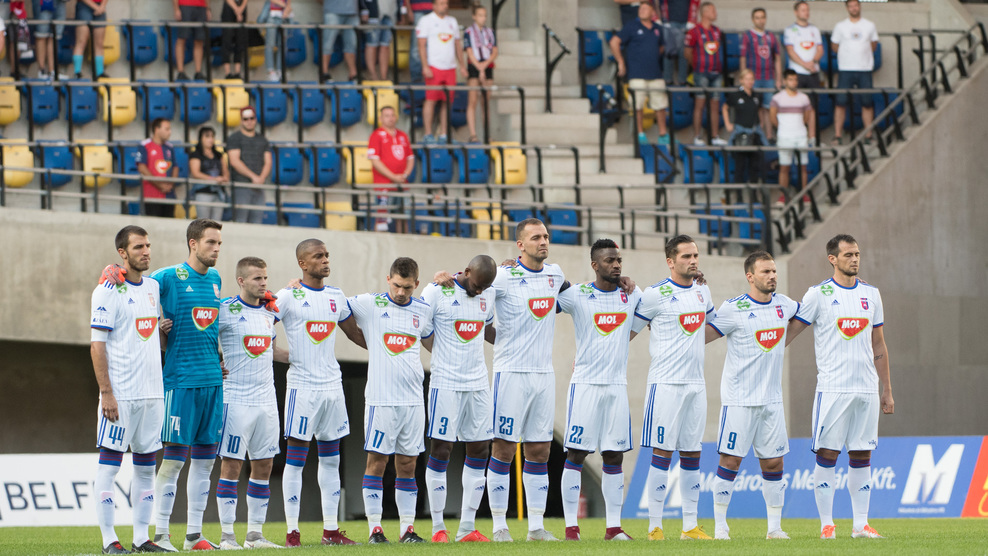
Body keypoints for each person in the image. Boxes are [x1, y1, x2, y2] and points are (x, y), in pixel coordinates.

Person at [786, 234, 894, 540]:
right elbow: (791, 331)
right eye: (848, 255)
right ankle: (827, 525)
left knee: (861, 455)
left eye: (857, 254)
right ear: (832, 259)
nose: (855, 259)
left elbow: (879, 344)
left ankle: (861, 525)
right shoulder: (818, 294)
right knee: (827, 454)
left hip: (866, 389)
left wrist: (886, 389)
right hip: (833, 389)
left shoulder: (871, 294)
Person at [275, 239, 365, 547]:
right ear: (302, 263)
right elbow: (260, 323)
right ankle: (292, 532)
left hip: (332, 388)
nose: (326, 260)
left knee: (331, 459)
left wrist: (385, 350)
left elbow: (355, 334)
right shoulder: (288, 296)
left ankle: (331, 531)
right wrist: (281, 354)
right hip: (302, 388)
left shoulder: (336, 296)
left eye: (327, 255)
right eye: (318, 256)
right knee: (296, 460)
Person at [704, 251, 799, 541]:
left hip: (772, 402)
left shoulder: (785, 305)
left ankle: (774, 528)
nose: (772, 276)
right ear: (750, 276)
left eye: (774, 271)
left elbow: (806, 316)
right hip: (739, 401)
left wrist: (783, 341)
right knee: (730, 462)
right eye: (765, 272)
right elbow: (703, 335)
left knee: (774, 464)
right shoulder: (734, 308)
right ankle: (720, 526)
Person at [486, 219, 566, 541]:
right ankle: (499, 526)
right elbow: (474, 300)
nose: (543, 241)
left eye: (545, 236)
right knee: (504, 448)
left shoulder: (555, 275)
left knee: (540, 450)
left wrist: (621, 281)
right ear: (520, 245)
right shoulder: (503, 276)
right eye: (535, 237)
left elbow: (583, 296)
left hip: (543, 375)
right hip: (510, 374)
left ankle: (535, 527)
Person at [631, 235, 715, 541]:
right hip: (665, 384)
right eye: (686, 256)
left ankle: (690, 526)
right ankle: (655, 526)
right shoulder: (655, 294)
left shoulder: (703, 290)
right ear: (670, 261)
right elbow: (628, 332)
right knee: (662, 453)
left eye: (695, 255)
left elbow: (711, 327)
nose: (693, 261)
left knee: (692, 453)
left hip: (696, 384)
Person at [557, 239, 641, 542]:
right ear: (595, 265)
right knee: (577, 453)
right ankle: (571, 529)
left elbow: (660, 304)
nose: (616, 265)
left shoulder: (632, 295)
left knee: (614, 456)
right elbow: (541, 295)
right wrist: (513, 267)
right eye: (609, 260)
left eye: (618, 260)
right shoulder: (577, 294)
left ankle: (614, 528)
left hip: (616, 387)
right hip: (585, 386)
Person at [89, 226, 166, 554]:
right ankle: (109, 540)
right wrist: (106, 392)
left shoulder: (153, 287)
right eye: (138, 247)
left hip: (152, 395)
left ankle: (141, 538)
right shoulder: (107, 290)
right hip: (120, 396)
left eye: (147, 245)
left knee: (146, 469)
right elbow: (97, 346)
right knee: (109, 467)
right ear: (122, 253)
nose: (145, 251)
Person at [149, 219, 225, 551]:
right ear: (193, 243)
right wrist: (114, 274)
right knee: (174, 460)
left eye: (219, 243)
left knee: (206, 462)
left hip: (213, 381)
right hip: (180, 382)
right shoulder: (168, 277)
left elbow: (209, 328)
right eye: (211, 242)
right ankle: (161, 534)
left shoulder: (216, 278)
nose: (216, 249)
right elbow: (135, 290)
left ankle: (194, 534)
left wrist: (217, 358)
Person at [348, 257, 435, 544]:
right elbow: (333, 308)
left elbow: (433, 343)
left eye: (407, 287)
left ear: (416, 284)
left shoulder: (423, 310)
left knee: (408, 464)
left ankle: (407, 530)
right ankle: (375, 529)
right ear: (388, 279)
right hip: (380, 400)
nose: (400, 292)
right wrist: (296, 286)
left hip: (413, 401)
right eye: (396, 285)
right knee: (377, 462)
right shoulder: (369, 303)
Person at [418, 255, 498, 543]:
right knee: (441, 449)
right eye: (477, 285)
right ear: (466, 272)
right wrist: (441, 355)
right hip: (445, 383)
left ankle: (467, 526)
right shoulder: (436, 291)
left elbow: (486, 328)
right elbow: (421, 329)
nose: (480, 291)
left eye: (485, 287)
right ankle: (438, 528)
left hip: (478, 384)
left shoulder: (488, 293)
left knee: (480, 449)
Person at [215, 257, 285, 550]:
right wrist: (212, 363)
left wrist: (305, 357)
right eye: (257, 278)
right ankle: (227, 536)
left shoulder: (269, 312)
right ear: (241, 281)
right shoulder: (225, 310)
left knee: (264, 466)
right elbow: (200, 335)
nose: (264, 283)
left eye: (265, 277)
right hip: (235, 399)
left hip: (266, 400)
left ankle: (255, 535)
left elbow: (271, 350)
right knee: (231, 466)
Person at [610, 2, 670, 145]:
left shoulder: (657, 29)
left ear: (652, 12)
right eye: (640, 8)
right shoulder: (631, 26)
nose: (641, 11)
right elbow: (614, 42)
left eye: (645, 8)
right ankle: (640, 134)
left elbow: (662, 47)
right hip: (636, 73)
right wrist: (621, 61)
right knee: (637, 106)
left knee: (660, 105)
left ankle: (663, 134)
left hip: (655, 73)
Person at [416, 0, 466, 144]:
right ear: (434, 5)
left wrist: (462, 65)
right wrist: (425, 66)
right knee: (431, 99)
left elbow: (457, 44)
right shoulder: (426, 20)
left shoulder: (452, 21)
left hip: (450, 67)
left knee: (447, 101)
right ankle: (428, 134)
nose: (445, 6)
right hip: (434, 66)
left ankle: (444, 134)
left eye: (446, 3)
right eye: (442, 3)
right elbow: (421, 45)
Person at [831, 0, 879, 145]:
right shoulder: (840, 26)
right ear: (847, 8)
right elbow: (834, 46)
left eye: (856, 5)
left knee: (867, 103)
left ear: (860, 6)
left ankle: (868, 135)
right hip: (846, 69)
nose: (854, 8)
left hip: (865, 69)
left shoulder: (869, 25)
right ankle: (837, 135)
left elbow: (874, 45)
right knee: (840, 102)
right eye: (851, 6)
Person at [366, 105, 414, 233]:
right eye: (387, 116)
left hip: (402, 184)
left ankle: (404, 244)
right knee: (381, 220)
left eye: (392, 115)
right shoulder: (376, 136)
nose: (391, 118)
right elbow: (375, 160)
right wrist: (393, 177)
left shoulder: (402, 135)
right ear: (380, 118)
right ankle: (379, 245)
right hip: (384, 185)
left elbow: (410, 157)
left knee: (403, 218)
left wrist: (405, 175)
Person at [685, 2, 726, 146]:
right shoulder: (694, 31)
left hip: (716, 73)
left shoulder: (717, 31)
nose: (716, 13)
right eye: (713, 11)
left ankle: (714, 136)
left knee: (715, 105)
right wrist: (696, 66)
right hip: (701, 73)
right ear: (705, 12)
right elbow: (687, 52)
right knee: (700, 104)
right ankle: (697, 136)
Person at [770, 69, 815, 200]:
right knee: (784, 167)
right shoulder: (777, 98)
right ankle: (783, 196)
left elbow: (807, 117)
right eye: (790, 79)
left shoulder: (804, 98)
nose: (794, 82)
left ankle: (804, 194)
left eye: (795, 79)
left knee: (803, 167)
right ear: (784, 81)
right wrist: (783, 128)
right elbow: (772, 117)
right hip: (784, 137)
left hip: (800, 136)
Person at [740, 7, 782, 142]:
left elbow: (777, 58)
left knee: (768, 108)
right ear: (753, 20)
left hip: (769, 77)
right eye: (757, 18)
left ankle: (769, 136)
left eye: (762, 17)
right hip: (754, 78)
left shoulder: (771, 36)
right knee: (755, 108)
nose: (760, 20)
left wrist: (779, 78)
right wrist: (744, 77)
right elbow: (742, 57)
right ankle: (758, 135)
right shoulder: (747, 36)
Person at [226, 106, 273, 224]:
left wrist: (261, 178)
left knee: (257, 222)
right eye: (245, 119)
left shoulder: (262, 139)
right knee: (240, 221)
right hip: (241, 185)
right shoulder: (234, 138)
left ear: (255, 119)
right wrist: (254, 177)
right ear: (241, 120)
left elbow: (268, 161)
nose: (249, 121)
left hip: (259, 186)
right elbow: (234, 161)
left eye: (251, 118)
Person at [722, 69, 766, 184]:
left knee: (755, 166)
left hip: (754, 132)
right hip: (741, 133)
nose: (750, 82)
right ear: (741, 80)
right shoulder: (736, 95)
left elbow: (760, 110)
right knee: (740, 165)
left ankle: (754, 193)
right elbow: (725, 108)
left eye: (751, 79)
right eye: (747, 79)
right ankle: (739, 193)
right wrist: (728, 124)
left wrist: (761, 122)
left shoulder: (757, 95)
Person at [463, 4, 497, 143]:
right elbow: (469, 51)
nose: (483, 18)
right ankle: (473, 135)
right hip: (474, 65)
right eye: (480, 15)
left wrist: (485, 65)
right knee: (472, 100)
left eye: (485, 15)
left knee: (486, 102)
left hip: (487, 64)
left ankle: (487, 134)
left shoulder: (490, 32)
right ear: (474, 16)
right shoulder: (469, 32)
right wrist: (479, 68)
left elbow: (494, 51)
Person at [136, 118, 178, 219]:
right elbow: (141, 167)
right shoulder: (144, 145)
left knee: (169, 224)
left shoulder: (170, 147)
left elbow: (175, 167)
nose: (170, 132)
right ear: (157, 129)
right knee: (153, 225)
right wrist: (159, 185)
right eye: (167, 129)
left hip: (169, 195)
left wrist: (170, 185)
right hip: (151, 195)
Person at [189, 126, 229, 222]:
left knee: (216, 223)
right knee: (203, 223)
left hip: (218, 192)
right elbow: (195, 173)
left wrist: (224, 178)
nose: (211, 139)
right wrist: (213, 179)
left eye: (212, 136)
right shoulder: (196, 154)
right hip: (203, 191)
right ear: (201, 138)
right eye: (207, 136)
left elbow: (225, 171)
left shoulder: (218, 154)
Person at [658, 0, 700, 86]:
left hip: (686, 23)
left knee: (684, 53)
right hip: (671, 22)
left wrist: (692, 20)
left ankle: (682, 81)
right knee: (669, 52)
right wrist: (664, 20)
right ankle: (668, 80)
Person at [783, 0, 823, 89]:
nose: (806, 12)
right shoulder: (790, 30)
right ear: (796, 12)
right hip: (797, 73)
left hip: (813, 71)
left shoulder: (815, 29)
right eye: (803, 10)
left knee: (814, 97)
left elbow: (820, 50)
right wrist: (805, 65)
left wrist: (812, 63)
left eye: (807, 10)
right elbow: (790, 51)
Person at [322, 0, 359, 81]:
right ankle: (324, 73)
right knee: (328, 43)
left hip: (352, 12)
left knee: (351, 44)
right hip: (332, 11)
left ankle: (353, 74)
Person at [361, 0, 399, 81]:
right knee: (372, 45)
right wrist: (364, 10)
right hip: (373, 14)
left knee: (385, 45)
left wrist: (399, 14)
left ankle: (384, 77)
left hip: (390, 13)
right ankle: (372, 76)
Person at [173, 0, 210, 81]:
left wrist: (208, 8)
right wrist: (176, 9)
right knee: (182, 38)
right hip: (185, 5)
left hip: (201, 6)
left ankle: (198, 72)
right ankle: (180, 72)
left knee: (199, 40)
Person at [31, 0, 67, 80]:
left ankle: (52, 71)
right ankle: (41, 71)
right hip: (43, 2)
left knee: (55, 36)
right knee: (41, 34)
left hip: (61, 2)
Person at [73, 0, 108, 79]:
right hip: (84, 5)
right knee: (81, 41)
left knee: (99, 43)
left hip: (100, 6)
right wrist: (96, 7)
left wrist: (102, 7)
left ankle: (100, 72)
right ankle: (77, 72)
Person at [405, 0, 434, 83]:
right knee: (416, 46)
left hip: (433, 9)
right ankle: (416, 77)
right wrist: (409, 10)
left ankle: (431, 75)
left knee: (432, 45)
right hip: (417, 10)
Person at [220, 0, 247, 79]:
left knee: (240, 40)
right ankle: (227, 72)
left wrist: (241, 9)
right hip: (229, 8)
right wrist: (237, 10)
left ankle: (237, 72)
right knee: (227, 40)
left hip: (242, 8)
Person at [264, 0, 290, 81]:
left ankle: (280, 70)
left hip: (283, 18)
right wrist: (284, 5)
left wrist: (287, 10)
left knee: (282, 45)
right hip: (271, 16)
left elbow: (289, 4)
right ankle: (270, 71)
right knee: (270, 44)